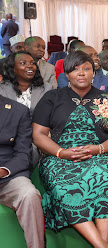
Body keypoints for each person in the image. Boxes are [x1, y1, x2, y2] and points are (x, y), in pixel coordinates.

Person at [32, 51, 108, 248]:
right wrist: (61, 152)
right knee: (64, 186)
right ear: (67, 74)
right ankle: (104, 246)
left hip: (100, 154)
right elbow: (38, 134)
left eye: (86, 69)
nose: (81, 73)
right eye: (75, 70)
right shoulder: (52, 97)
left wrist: (98, 149)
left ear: (94, 72)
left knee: (104, 179)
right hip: (59, 156)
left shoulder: (106, 99)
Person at [0, 94, 45, 248]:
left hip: (7, 177)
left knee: (30, 194)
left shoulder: (18, 111)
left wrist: (3, 171)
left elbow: (24, 153)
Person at [0, 50, 52, 115]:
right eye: (23, 63)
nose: (30, 66)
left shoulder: (46, 88)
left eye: (32, 63)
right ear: (13, 68)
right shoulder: (2, 89)